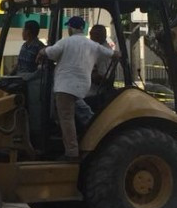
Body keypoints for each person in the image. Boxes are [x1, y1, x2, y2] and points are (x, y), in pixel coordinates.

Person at [38, 16, 117, 161]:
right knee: (84, 113)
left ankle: (72, 152)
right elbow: (113, 54)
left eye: (68, 27)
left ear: (71, 28)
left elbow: (50, 52)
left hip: (65, 87)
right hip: (82, 88)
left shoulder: (66, 42)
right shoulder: (92, 45)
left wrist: (41, 52)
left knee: (65, 119)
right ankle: (99, 131)